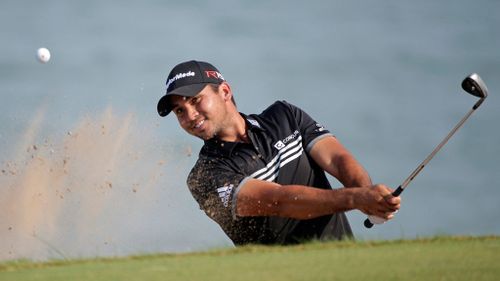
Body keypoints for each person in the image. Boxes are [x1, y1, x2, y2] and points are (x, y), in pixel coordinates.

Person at [157, 60, 400, 245]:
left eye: (195, 100)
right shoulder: (204, 176)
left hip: (346, 260)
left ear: (225, 92)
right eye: (179, 110)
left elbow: (337, 159)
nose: (189, 116)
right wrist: (355, 199)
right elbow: (279, 201)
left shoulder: (285, 116)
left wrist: (367, 195)